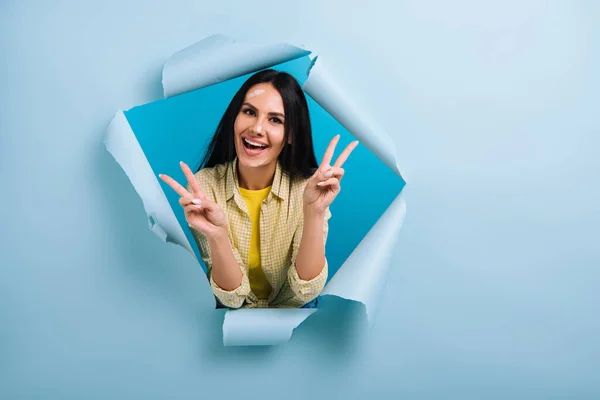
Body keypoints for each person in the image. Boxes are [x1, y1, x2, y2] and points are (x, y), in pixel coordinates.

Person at [159, 69, 357, 309]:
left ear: (291, 134)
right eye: (249, 112)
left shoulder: (309, 188)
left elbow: (306, 291)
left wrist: (313, 212)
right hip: (234, 316)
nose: (256, 128)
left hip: (295, 314)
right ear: (235, 117)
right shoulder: (204, 188)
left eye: (275, 120)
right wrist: (217, 235)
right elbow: (231, 298)